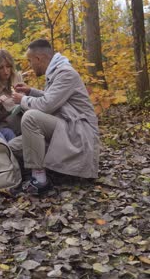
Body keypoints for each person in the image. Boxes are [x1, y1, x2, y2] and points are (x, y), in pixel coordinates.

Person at [10, 39, 100, 195]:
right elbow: (54, 98)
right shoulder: (56, 72)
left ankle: (39, 180)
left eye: (30, 61)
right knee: (12, 147)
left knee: (31, 117)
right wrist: (31, 91)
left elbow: (47, 105)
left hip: (79, 131)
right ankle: (43, 173)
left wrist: (22, 99)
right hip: (67, 126)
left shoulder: (65, 73)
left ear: (38, 58)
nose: (30, 66)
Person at [0, 49, 24, 135]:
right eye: (1, 68)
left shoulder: (17, 77)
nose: (6, 71)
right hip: (4, 125)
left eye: (8, 66)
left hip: (23, 116)